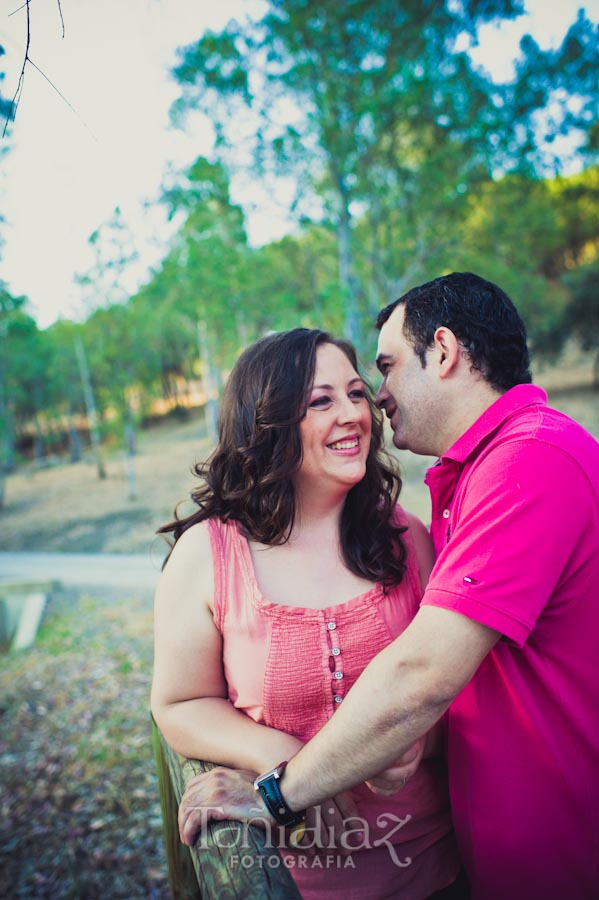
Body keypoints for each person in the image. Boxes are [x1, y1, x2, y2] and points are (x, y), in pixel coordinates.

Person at [179, 274, 599, 900]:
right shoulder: (478, 476)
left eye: (384, 369)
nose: (374, 400)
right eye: (327, 398)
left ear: (445, 351)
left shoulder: (531, 461)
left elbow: (422, 673)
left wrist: (281, 791)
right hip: (500, 853)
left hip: (558, 854)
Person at [151, 327, 464, 899]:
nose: (352, 414)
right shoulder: (209, 554)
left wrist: (413, 742)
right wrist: (285, 759)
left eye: (355, 393)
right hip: (287, 881)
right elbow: (180, 702)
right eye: (321, 401)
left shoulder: (408, 539)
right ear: (266, 424)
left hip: (434, 869)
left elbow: (457, 689)